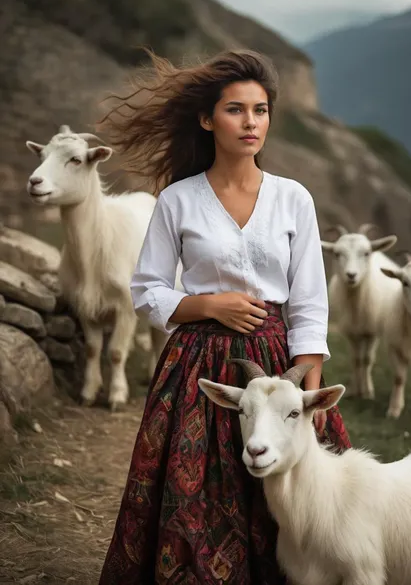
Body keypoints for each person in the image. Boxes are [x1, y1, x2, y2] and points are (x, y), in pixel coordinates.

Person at [98, 48, 351, 584]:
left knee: (301, 508)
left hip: (279, 369)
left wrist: (309, 386)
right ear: (207, 119)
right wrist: (207, 305)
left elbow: (308, 299)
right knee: (196, 498)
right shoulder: (177, 201)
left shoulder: (293, 199)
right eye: (236, 110)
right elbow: (146, 290)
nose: (251, 122)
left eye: (260, 110)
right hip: (197, 373)